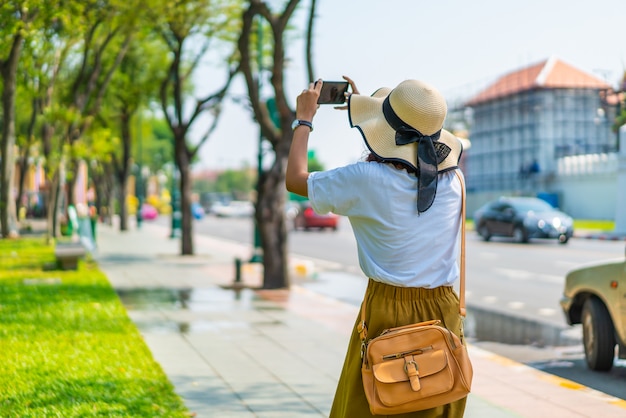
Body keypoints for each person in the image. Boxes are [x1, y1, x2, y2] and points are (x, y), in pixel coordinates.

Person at [286, 77, 469, 417]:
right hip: (444, 311)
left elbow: (296, 178)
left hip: (389, 309)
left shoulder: (366, 180)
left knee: (374, 404)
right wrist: (368, 107)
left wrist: (305, 119)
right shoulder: (454, 181)